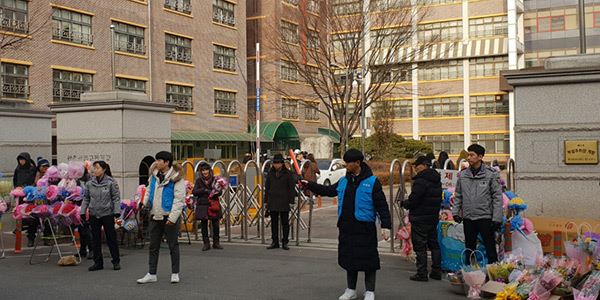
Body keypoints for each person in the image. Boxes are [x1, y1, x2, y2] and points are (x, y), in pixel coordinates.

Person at [303, 149, 391, 300]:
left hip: (364, 227)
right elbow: (329, 190)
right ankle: (351, 289)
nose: (346, 166)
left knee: (368, 260)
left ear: (357, 163)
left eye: (348, 163)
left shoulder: (372, 182)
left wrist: (386, 225)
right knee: (349, 260)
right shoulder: (344, 181)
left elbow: (382, 205)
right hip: (346, 227)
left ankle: (370, 291)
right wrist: (310, 185)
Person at [137, 151, 185, 284]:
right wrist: (143, 203)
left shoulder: (176, 177)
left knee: (173, 245)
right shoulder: (153, 176)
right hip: (154, 214)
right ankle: (152, 273)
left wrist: (173, 217)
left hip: (169, 216)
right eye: (156, 160)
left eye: (159, 160)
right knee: (153, 246)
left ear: (167, 162)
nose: (156, 162)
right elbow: (148, 191)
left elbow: (179, 199)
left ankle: (175, 273)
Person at [452, 144, 503, 264]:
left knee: (490, 247)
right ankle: (470, 273)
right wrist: (455, 212)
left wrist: (497, 218)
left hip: (485, 217)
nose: (469, 157)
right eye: (468, 155)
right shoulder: (463, 175)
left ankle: (493, 274)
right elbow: (458, 195)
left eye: (472, 155)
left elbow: (497, 197)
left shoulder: (490, 174)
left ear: (480, 157)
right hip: (468, 217)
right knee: (469, 248)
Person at [401, 156, 442, 282]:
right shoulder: (436, 179)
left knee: (420, 246)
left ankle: (422, 273)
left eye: (417, 165)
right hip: (432, 217)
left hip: (420, 217)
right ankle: (436, 271)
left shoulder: (421, 180)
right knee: (434, 244)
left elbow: (414, 200)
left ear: (424, 165)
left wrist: (405, 203)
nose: (415, 168)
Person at [80, 161, 121, 271]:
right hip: (94, 214)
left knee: (111, 238)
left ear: (104, 169)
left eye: (97, 168)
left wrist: (117, 212)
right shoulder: (89, 183)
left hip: (107, 214)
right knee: (95, 239)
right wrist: (82, 211)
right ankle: (98, 263)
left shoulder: (111, 182)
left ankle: (116, 261)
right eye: (94, 168)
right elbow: (86, 198)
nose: (95, 170)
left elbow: (116, 198)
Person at [264, 153, 296, 251]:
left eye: (278, 163)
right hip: (273, 200)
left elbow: (291, 189)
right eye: (275, 163)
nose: (276, 165)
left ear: (282, 163)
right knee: (274, 223)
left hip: (284, 200)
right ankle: (275, 241)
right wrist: (266, 202)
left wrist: (291, 201)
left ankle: (285, 241)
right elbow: (267, 188)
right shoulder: (270, 173)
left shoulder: (288, 174)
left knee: (285, 223)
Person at [193, 162, 224, 251]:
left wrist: (216, 192)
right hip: (203, 204)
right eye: (203, 170)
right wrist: (204, 190)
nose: (205, 172)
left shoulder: (215, 179)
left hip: (213, 204)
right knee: (204, 225)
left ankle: (216, 242)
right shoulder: (198, 181)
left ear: (210, 170)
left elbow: (220, 192)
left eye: (206, 170)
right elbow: (195, 192)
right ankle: (206, 243)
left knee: (215, 224)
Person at [13, 152, 38, 246]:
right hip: (20, 195)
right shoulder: (18, 169)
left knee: (31, 215)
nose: (21, 161)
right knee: (20, 213)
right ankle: (20, 229)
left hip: (30, 196)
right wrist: (17, 189)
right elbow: (15, 180)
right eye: (20, 160)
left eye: (23, 159)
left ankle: (31, 237)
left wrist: (29, 189)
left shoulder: (33, 169)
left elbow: (36, 181)